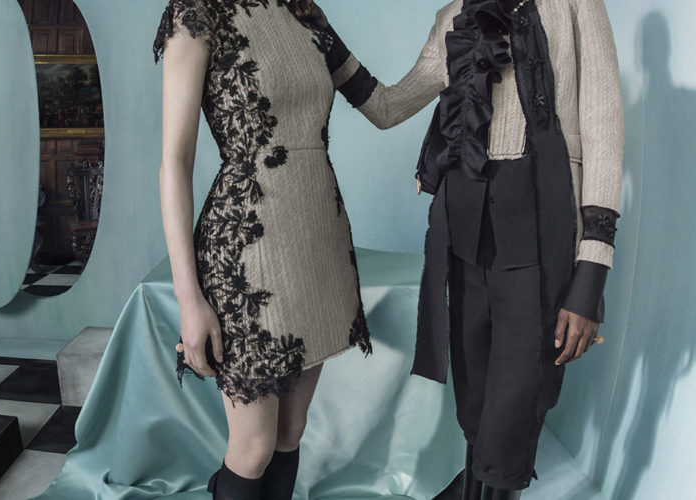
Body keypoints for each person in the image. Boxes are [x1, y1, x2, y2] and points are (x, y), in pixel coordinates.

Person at [293, 0, 623, 498]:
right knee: (473, 404)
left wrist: (592, 271)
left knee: (516, 405)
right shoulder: (452, 17)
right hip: (462, 230)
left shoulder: (575, 6)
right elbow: (387, 106)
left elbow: (604, 129)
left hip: (540, 225)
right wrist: (325, 34)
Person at [152, 0, 374, 498]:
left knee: (290, 433)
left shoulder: (304, 12)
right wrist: (188, 298)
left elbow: (383, 105)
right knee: (253, 449)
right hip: (246, 254)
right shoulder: (196, 12)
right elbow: (174, 162)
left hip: (318, 246)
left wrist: (453, 39)